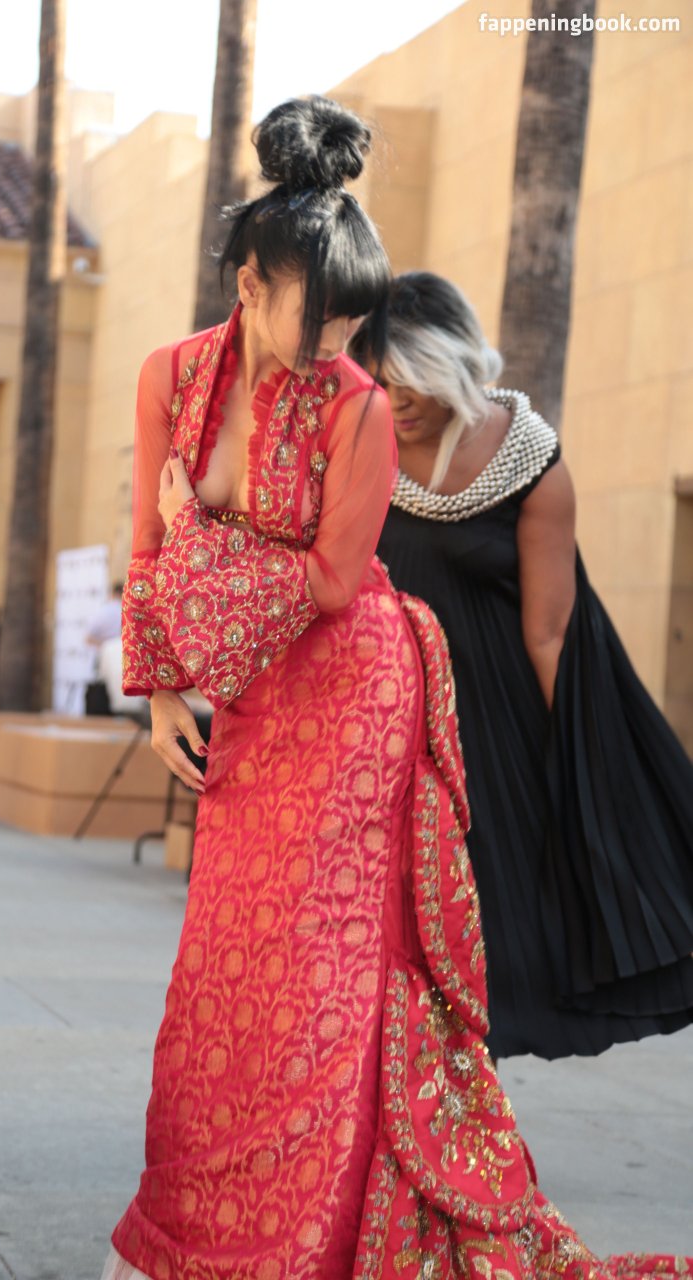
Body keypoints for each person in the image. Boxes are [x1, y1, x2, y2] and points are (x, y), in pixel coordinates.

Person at [105, 99, 690, 1280]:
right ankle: (208, 1226)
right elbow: (147, 542)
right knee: (230, 971)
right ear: (251, 283)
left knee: (328, 969)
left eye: (352, 324)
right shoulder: (169, 375)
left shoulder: (356, 402)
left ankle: (314, 1232)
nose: (336, 346)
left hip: (359, 695)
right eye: (320, 316)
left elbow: (330, 581)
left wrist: (200, 541)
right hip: (255, 707)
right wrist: (160, 686)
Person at [350, 271, 693, 1062]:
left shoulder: (530, 461)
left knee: (490, 925)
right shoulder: (357, 438)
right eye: (381, 378)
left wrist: (571, 769)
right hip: (378, 717)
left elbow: (549, 633)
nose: (397, 399)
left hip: (487, 724)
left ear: (456, 367)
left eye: (414, 380)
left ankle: (455, 1100)